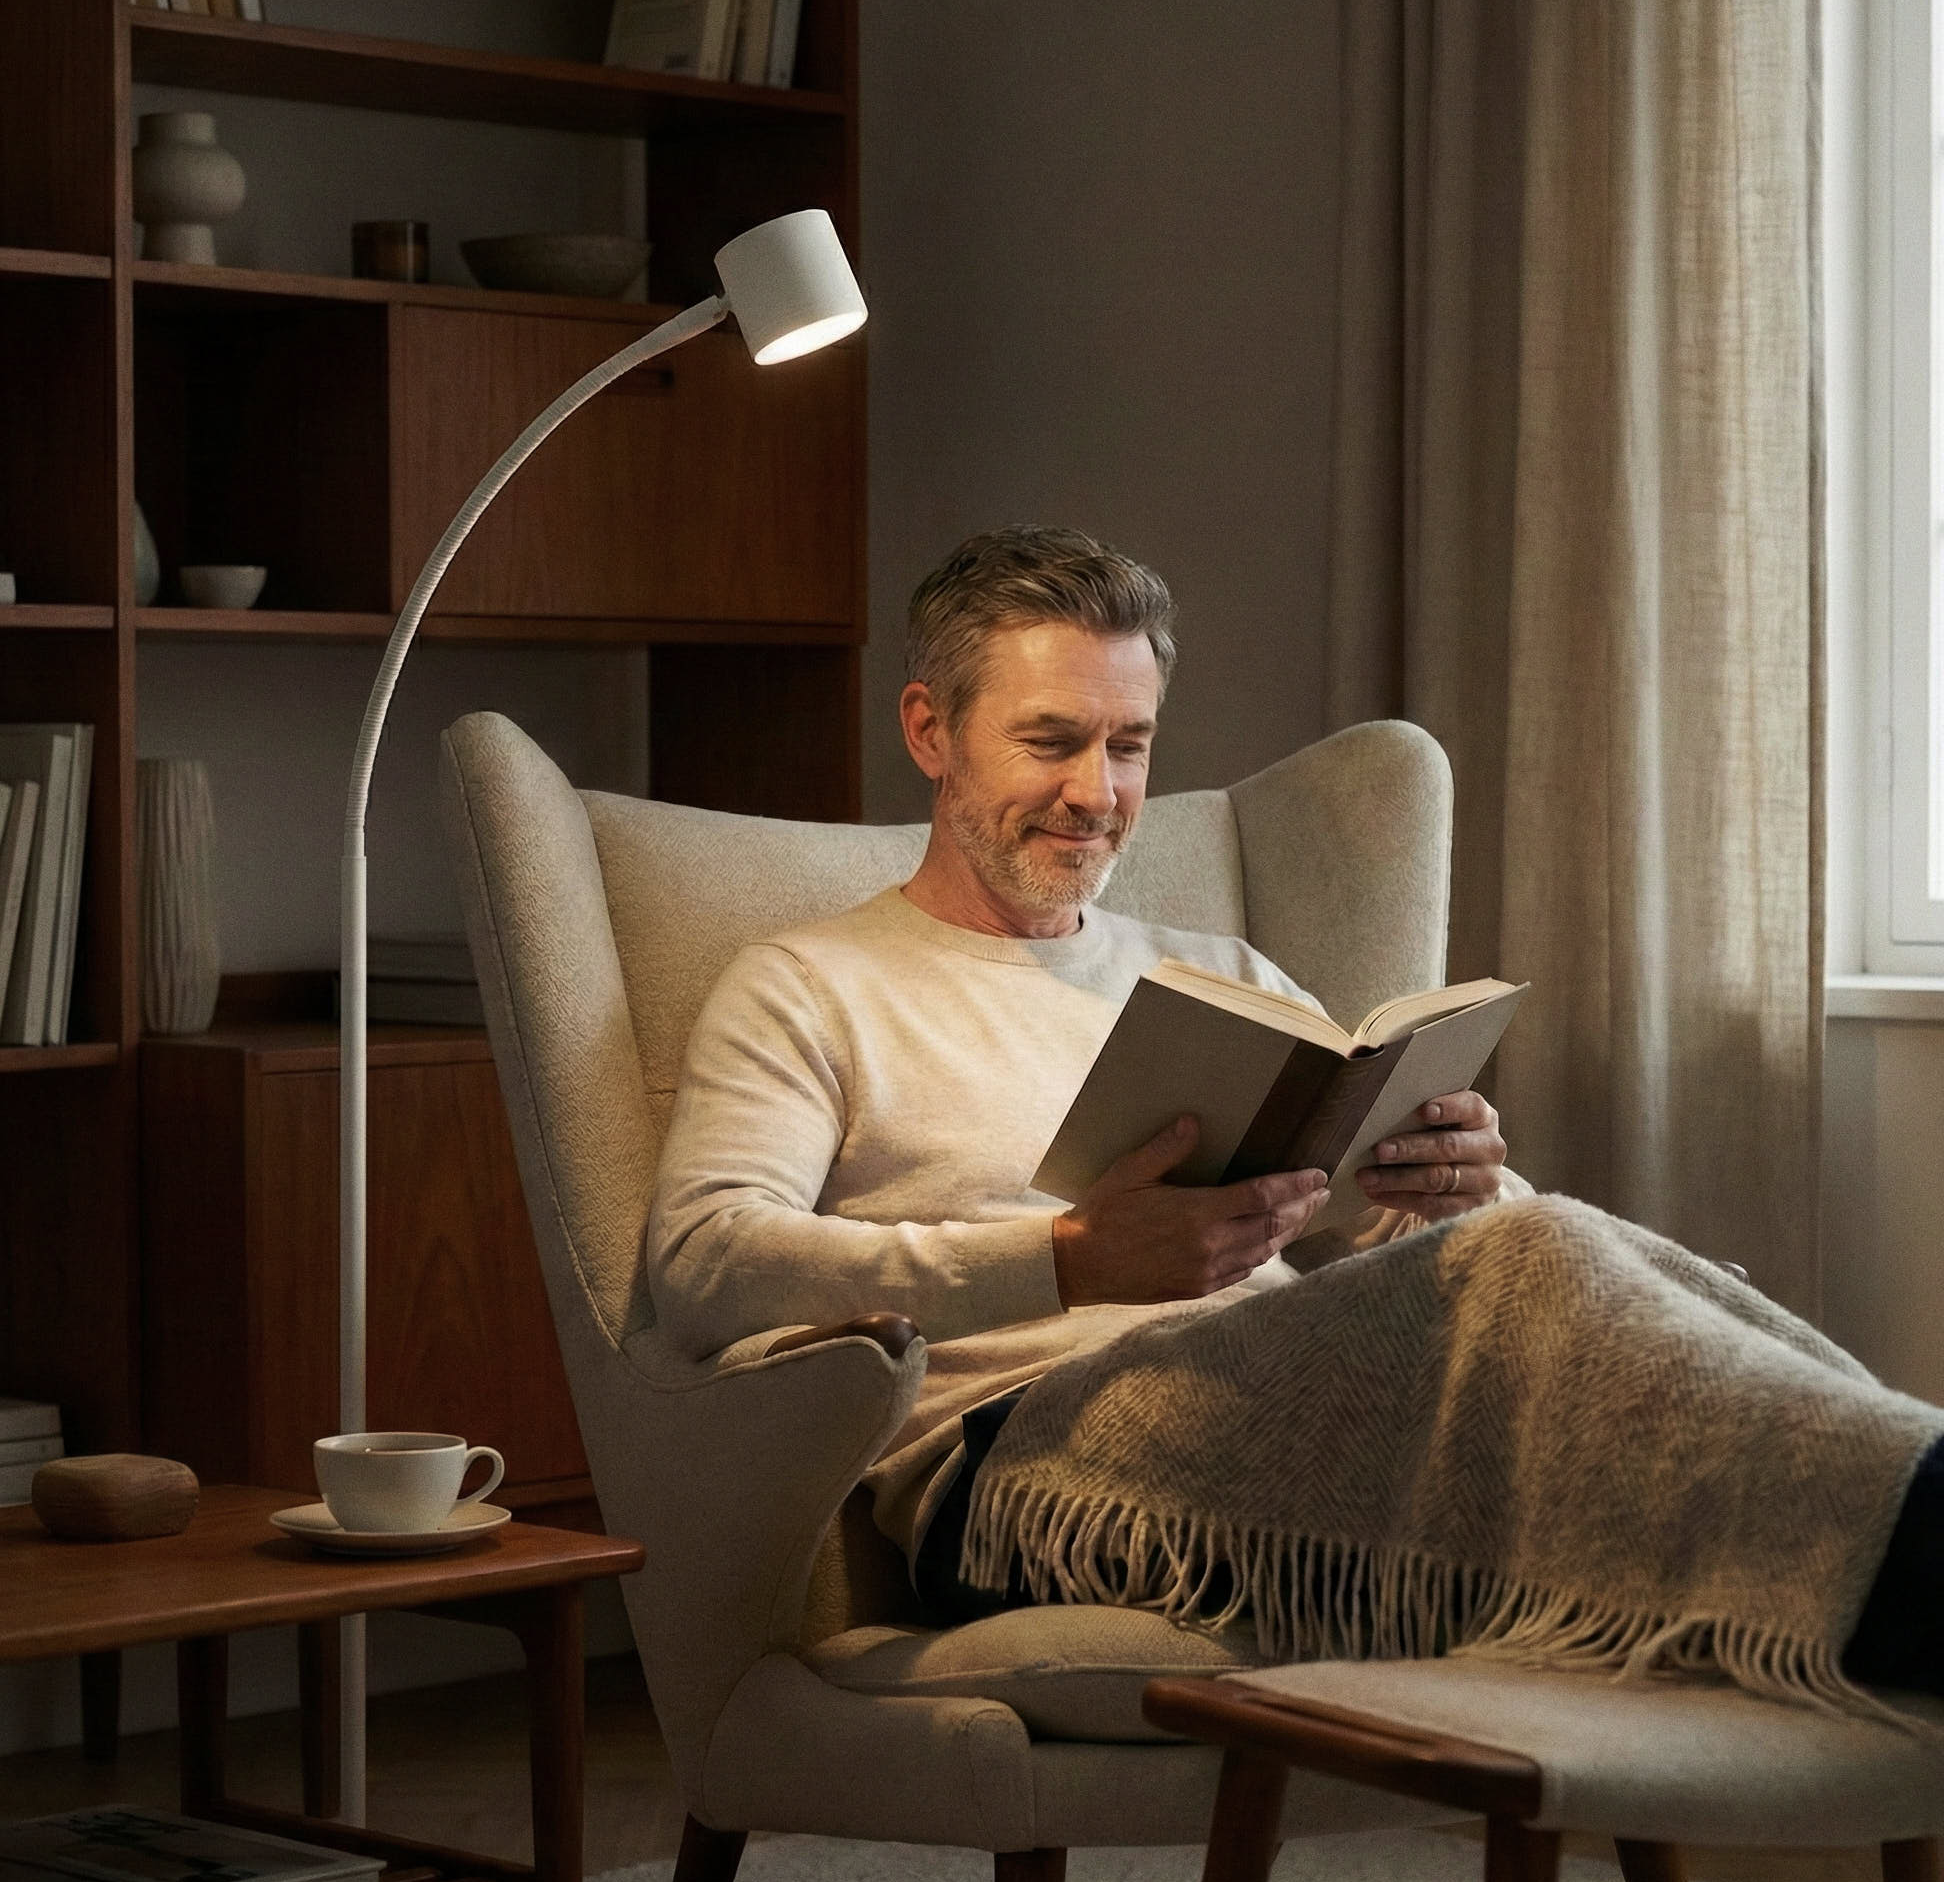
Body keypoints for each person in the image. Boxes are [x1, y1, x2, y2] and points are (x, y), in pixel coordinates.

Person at [643, 525, 1944, 1703]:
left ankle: (1913, 1522)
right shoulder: (812, 985)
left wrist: (1454, 1187)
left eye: (1129, 745)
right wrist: (1066, 1260)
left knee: (1556, 1251)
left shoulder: (1218, 977)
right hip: (1026, 1463)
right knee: (1560, 1277)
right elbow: (700, 1265)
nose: (1097, 793)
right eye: (1050, 741)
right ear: (931, 730)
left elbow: (1368, 1245)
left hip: (1296, 1407)